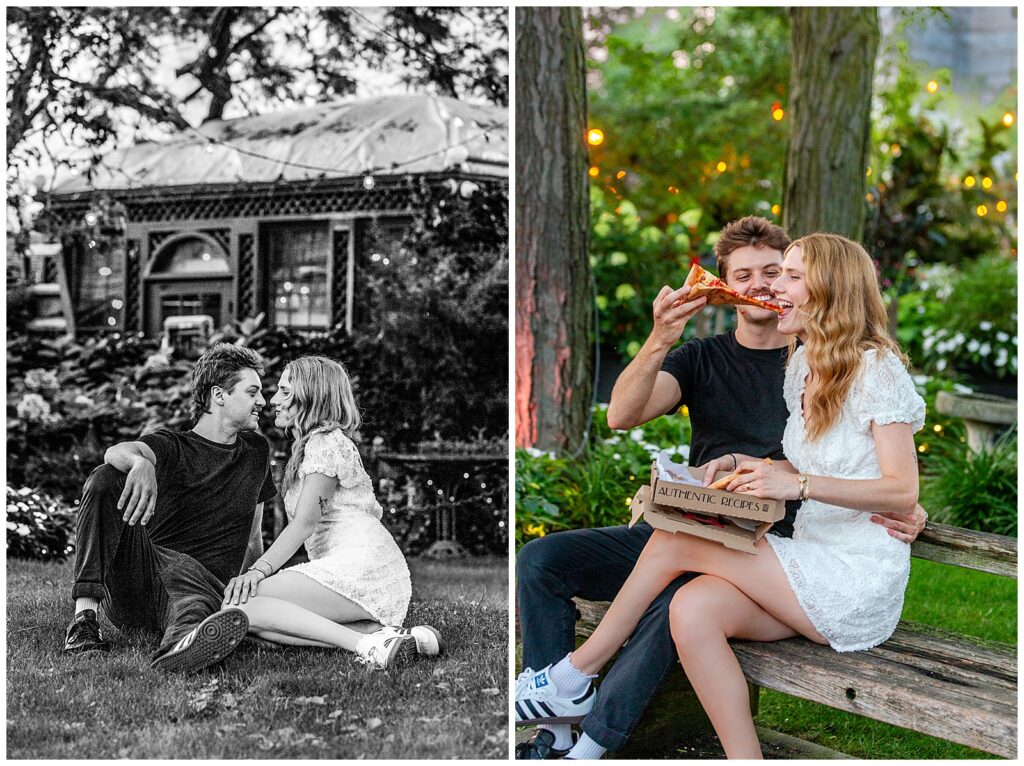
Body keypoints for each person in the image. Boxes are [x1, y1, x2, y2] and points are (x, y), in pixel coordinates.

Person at [514, 217, 927, 760]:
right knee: (690, 608)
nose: (772, 287)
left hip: (838, 570)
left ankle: (574, 679)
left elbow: (897, 484)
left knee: (680, 541)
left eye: (786, 275)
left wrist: (802, 484)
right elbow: (622, 415)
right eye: (752, 275)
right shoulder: (798, 363)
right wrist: (742, 459)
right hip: (778, 548)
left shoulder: (873, 368)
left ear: (830, 289)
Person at [215, 355, 442, 670]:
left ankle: (368, 645)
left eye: (284, 391)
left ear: (309, 396)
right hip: (354, 567)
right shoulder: (312, 446)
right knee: (250, 625)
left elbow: (304, 524)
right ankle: (393, 636)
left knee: (239, 605)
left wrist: (257, 572)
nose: (273, 401)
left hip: (362, 566)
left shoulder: (326, 443)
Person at [63, 343, 277, 672]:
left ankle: (183, 647)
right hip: (143, 577)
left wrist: (254, 586)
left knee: (193, 599)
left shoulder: (257, 450)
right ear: (218, 395)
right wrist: (140, 463)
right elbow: (115, 452)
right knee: (107, 478)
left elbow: (252, 538)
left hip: (201, 590)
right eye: (252, 392)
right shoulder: (173, 446)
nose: (262, 401)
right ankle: (84, 621)